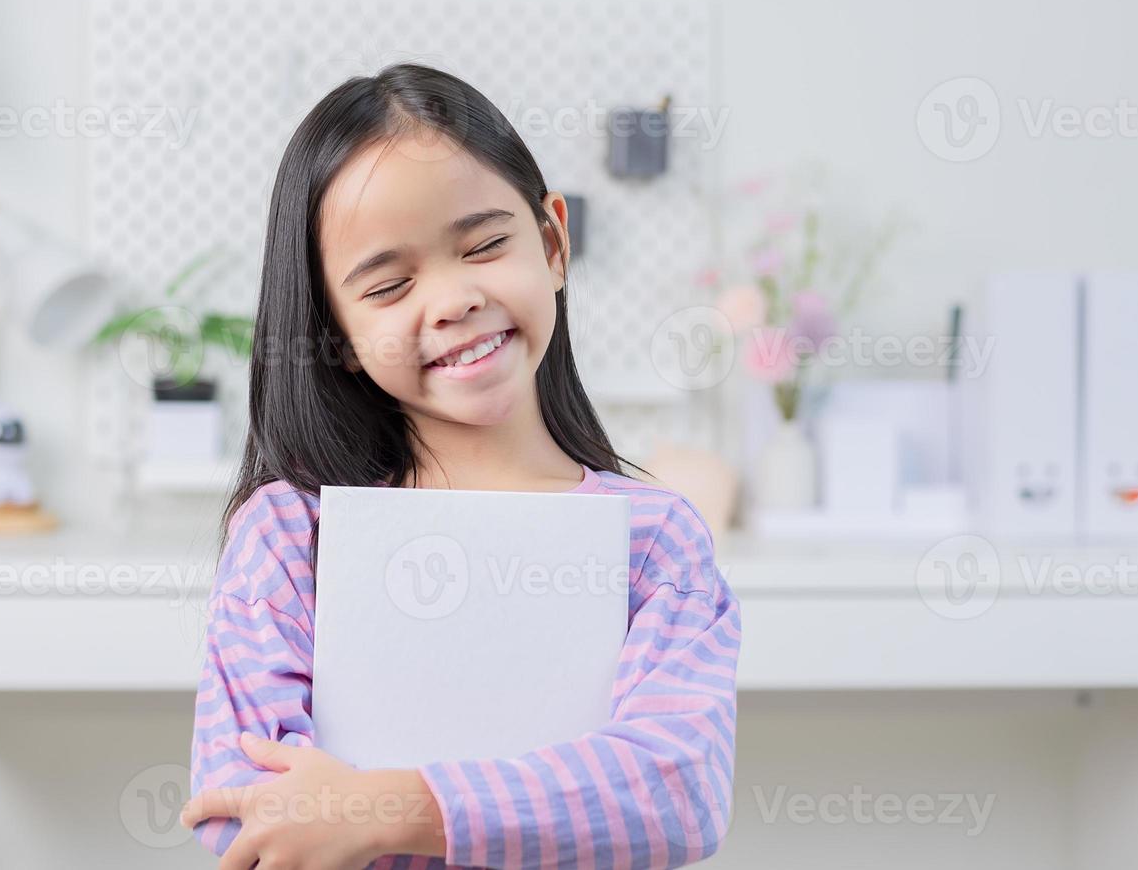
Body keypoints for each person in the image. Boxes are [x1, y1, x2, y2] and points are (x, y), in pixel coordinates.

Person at [183, 62, 742, 869]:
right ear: (334, 335)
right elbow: (240, 811)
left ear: (553, 243)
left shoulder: (652, 540)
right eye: (388, 286)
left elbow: (674, 790)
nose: (449, 301)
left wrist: (384, 810)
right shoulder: (290, 535)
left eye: (483, 245)